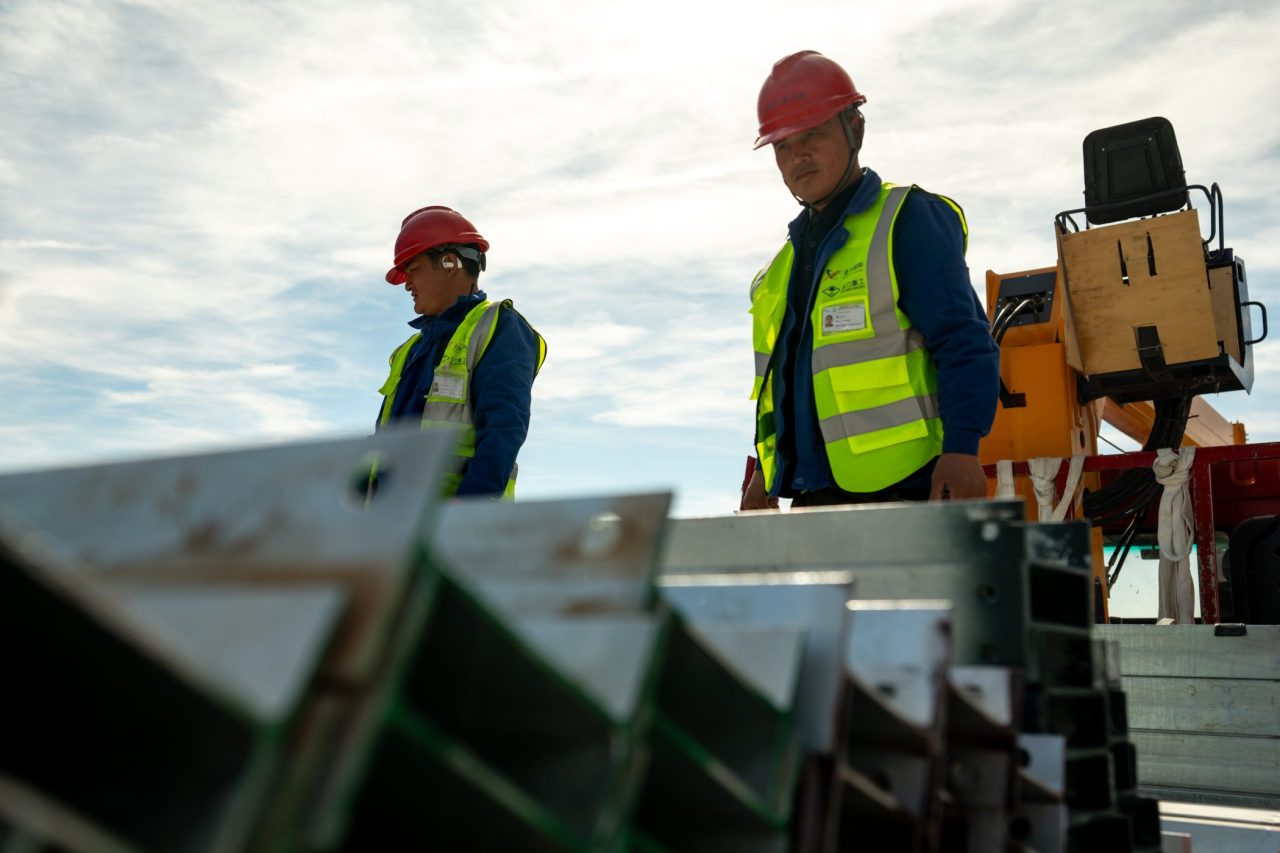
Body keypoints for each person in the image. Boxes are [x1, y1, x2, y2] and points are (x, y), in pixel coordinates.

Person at [742, 51, 1000, 510]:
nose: (798, 155)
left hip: (909, 490)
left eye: (813, 134)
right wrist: (767, 476)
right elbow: (783, 388)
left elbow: (963, 340)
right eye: (782, 145)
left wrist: (962, 449)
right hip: (810, 498)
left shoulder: (906, 219)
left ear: (855, 129)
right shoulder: (779, 269)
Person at [376, 205, 546, 499]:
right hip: (392, 524)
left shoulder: (498, 326)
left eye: (413, 270)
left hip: (455, 525)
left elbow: (503, 428)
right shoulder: (410, 350)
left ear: (449, 264)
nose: (408, 286)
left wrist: (467, 516)